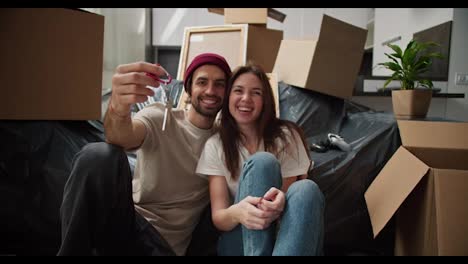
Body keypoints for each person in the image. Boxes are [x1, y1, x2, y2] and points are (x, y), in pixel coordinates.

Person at [57, 53, 232, 256]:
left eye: (219, 84)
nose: (211, 91)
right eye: (202, 82)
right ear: (189, 88)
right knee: (98, 154)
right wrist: (118, 107)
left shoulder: (226, 140)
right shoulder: (160, 118)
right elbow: (119, 138)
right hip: (129, 226)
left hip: (164, 247)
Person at [196, 63, 325, 256]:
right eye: (238, 91)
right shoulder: (216, 145)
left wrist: (280, 201)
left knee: (307, 189)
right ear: (228, 97)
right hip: (239, 240)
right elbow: (219, 217)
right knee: (262, 162)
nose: (246, 99)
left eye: (256, 93)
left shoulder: (286, 136)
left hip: (286, 235)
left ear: (266, 101)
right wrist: (238, 212)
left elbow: (292, 201)